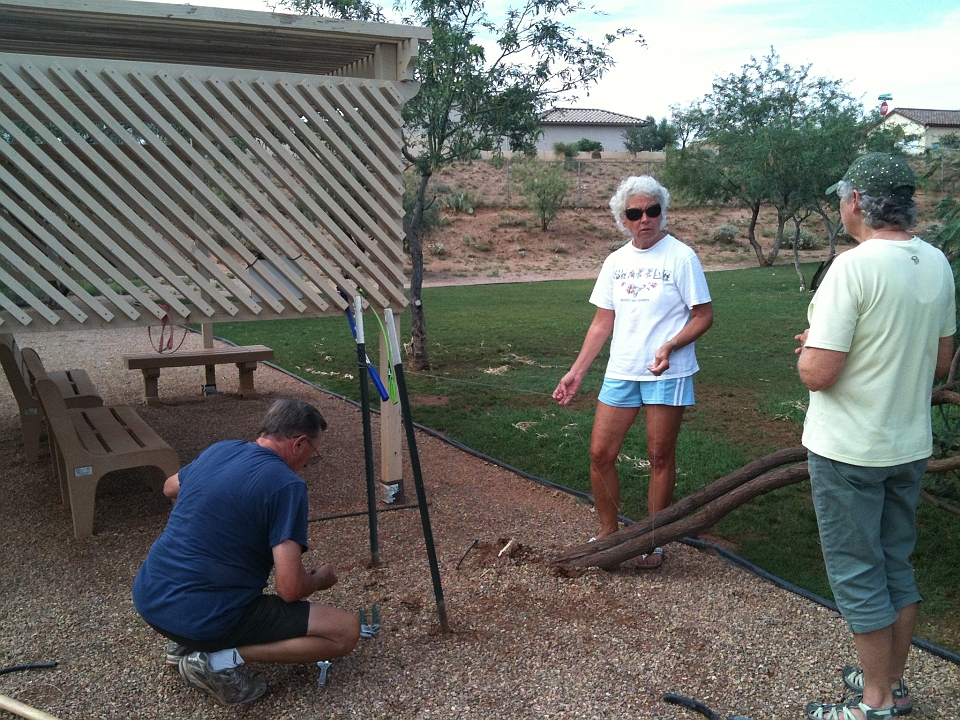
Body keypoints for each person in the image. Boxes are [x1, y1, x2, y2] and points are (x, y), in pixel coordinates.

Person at [796, 153, 955, 720]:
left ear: (856, 201)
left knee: (859, 574)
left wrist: (813, 343)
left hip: (848, 450)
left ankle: (874, 703)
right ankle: (894, 682)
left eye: (843, 195)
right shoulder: (936, 262)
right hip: (907, 445)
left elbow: (819, 373)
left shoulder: (853, 268)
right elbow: (940, 361)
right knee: (895, 566)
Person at [132, 398, 361, 705]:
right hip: (205, 618)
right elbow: (289, 589)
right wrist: (319, 579)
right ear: (300, 443)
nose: (308, 462)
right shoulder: (286, 485)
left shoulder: (220, 449)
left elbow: (170, 488)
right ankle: (215, 661)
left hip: (149, 598)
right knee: (345, 631)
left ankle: (183, 643)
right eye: (312, 454)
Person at [553, 175, 713, 568]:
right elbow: (601, 323)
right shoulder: (616, 261)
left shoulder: (681, 257)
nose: (645, 219)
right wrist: (576, 372)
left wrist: (671, 345)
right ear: (622, 219)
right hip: (621, 371)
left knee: (659, 456)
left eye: (653, 210)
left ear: (662, 212)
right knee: (600, 453)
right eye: (635, 213)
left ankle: (652, 538)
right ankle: (609, 531)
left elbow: (703, 315)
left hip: (667, 373)